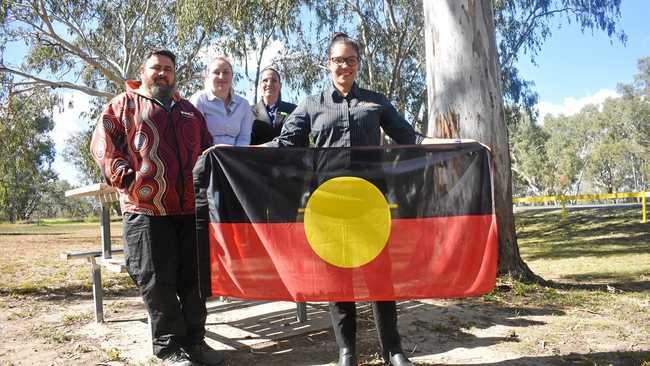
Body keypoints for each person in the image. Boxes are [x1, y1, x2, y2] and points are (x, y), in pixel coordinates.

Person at [264, 33, 416, 366]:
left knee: (380, 277)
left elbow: (410, 138)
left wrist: (459, 142)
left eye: (350, 60)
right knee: (339, 279)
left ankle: (393, 350)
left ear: (358, 64)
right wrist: (241, 152)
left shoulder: (376, 103)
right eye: (338, 60)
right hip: (328, 208)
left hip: (371, 205)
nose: (343, 65)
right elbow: (286, 144)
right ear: (328, 64)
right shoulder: (311, 104)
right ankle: (347, 351)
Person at [90, 49, 223, 366]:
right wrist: (124, 174)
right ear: (143, 70)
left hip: (191, 210)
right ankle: (169, 349)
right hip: (146, 210)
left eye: (168, 69)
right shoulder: (123, 104)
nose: (162, 73)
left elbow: (208, 148)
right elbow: (102, 143)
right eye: (156, 68)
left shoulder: (189, 111)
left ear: (175, 74)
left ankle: (196, 342)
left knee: (195, 281)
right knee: (157, 282)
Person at [190, 56, 254, 146]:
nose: (221, 76)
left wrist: (235, 156)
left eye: (226, 72)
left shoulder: (243, 104)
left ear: (232, 76)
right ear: (208, 76)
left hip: (236, 156)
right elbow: (195, 136)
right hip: (207, 155)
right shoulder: (199, 100)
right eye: (216, 72)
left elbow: (244, 138)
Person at [250, 67, 297, 144]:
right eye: (265, 80)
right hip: (256, 155)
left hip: (286, 155)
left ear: (280, 86)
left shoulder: (293, 110)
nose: (269, 84)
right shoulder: (248, 111)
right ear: (259, 86)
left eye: (274, 81)